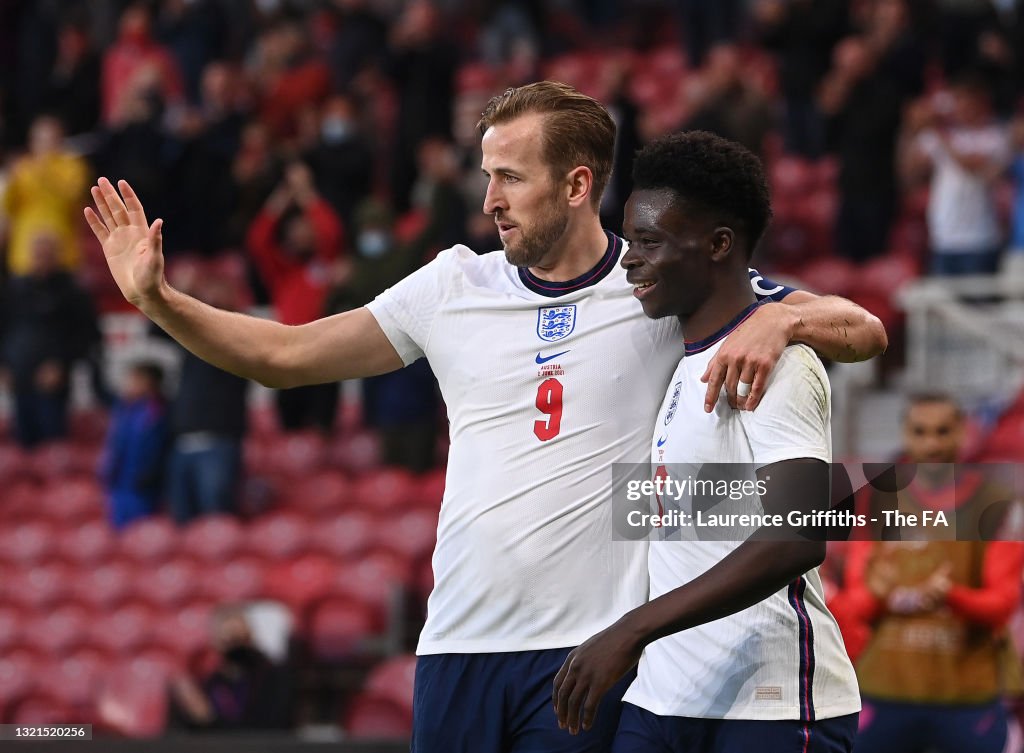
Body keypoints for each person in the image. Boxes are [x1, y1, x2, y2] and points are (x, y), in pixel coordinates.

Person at [86, 81, 886, 753]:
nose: (489, 199)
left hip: (590, 649)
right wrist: (159, 300)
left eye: (509, 176)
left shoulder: (657, 283)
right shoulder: (450, 286)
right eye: (486, 174)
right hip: (459, 642)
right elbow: (284, 357)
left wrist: (785, 318)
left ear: (577, 185)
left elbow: (863, 329)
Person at [551, 131, 861, 752]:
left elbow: (797, 536)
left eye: (650, 241)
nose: (630, 259)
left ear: (719, 245)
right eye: (630, 239)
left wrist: (631, 630)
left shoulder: (777, 361)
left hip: (769, 701)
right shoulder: (678, 357)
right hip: (664, 697)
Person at [839, 393, 1024, 753]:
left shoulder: (995, 502)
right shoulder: (879, 498)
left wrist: (949, 595)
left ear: (962, 434)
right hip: (883, 688)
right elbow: (852, 605)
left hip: (967, 695)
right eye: (920, 432)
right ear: (905, 435)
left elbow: (1002, 604)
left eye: (942, 431)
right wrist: (875, 593)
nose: (932, 443)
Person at [168, 604, 293, 731]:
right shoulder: (211, 684)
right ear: (214, 641)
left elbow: (267, 730)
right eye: (228, 640)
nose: (235, 648)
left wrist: (208, 719)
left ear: (250, 636)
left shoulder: (272, 677)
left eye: (239, 638)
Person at [101, 360, 168, 530]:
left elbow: (157, 451)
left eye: (136, 379)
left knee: (140, 534)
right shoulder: (123, 408)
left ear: (150, 383)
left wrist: (148, 477)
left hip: (142, 488)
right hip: (119, 485)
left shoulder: (156, 411)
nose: (129, 384)